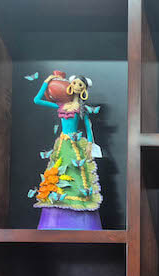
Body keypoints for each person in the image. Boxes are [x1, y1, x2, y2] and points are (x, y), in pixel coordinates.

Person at [31, 71, 102, 230]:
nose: (76, 86)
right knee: (58, 171)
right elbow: (37, 100)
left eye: (80, 85)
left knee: (78, 174)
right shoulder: (61, 105)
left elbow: (88, 128)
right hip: (63, 144)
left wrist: (90, 143)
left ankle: (80, 212)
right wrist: (47, 81)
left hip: (75, 144)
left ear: (83, 90)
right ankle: (56, 212)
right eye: (75, 83)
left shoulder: (82, 109)